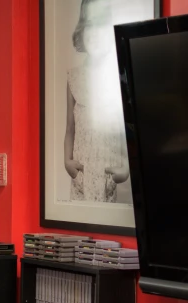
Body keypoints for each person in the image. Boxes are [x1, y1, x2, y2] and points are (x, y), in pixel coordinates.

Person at [64, 0, 129, 203]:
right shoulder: (73, 78)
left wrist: (126, 167)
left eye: (101, 25)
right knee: (79, 232)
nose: (94, 33)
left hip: (107, 177)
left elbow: (128, 129)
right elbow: (70, 128)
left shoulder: (119, 78)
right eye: (89, 24)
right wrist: (67, 162)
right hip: (81, 179)